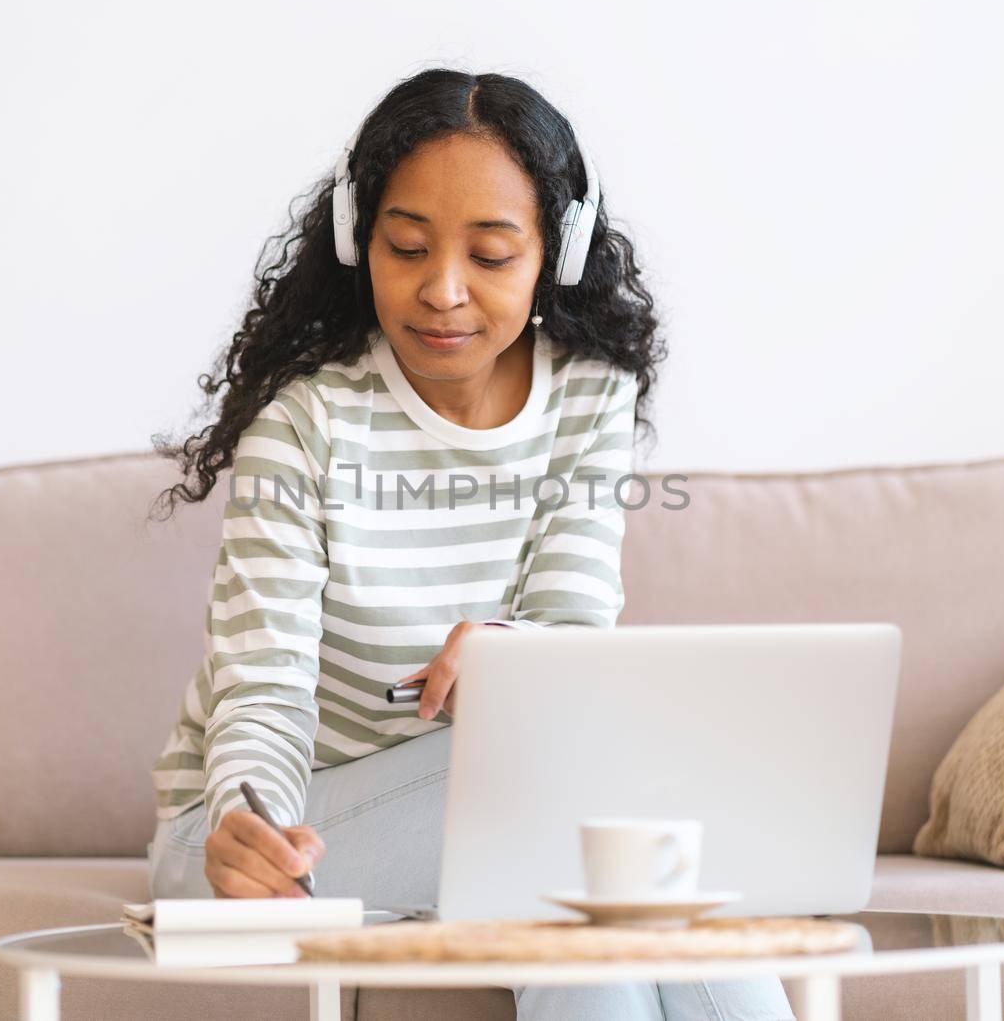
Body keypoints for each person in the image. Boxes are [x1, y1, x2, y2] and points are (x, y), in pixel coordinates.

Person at [146, 67, 793, 1021]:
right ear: (355, 238)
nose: (441, 290)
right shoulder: (306, 424)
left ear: (555, 255)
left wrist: (519, 657)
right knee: (603, 809)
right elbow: (266, 687)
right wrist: (249, 816)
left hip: (517, 807)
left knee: (583, 932)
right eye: (406, 247)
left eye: (490, 255)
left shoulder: (587, 393)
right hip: (259, 834)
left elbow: (572, 635)